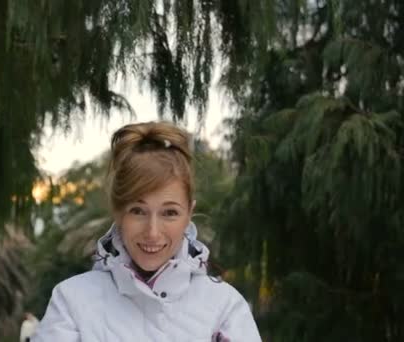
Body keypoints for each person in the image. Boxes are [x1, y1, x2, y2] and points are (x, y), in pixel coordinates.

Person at [32, 122, 261, 341]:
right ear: (119, 212)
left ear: (189, 213)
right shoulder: (72, 301)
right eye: (138, 211)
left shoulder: (224, 307)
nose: (152, 232)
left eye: (169, 213)